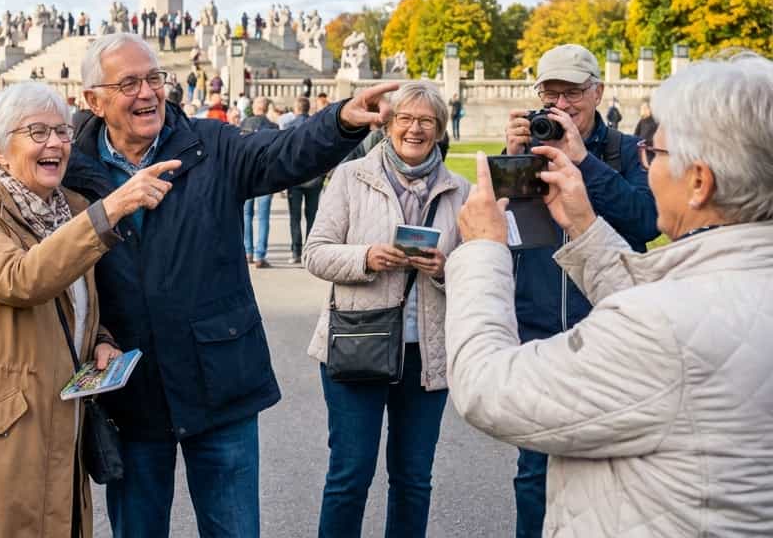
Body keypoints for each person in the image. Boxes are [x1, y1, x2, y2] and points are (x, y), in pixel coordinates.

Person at [61, 32, 396, 538]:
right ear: (94, 99)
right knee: (137, 529)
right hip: (131, 387)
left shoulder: (210, 143)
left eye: (154, 79)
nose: (148, 93)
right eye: (128, 83)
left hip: (219, 377)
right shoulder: (71, 171)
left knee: (233, 529)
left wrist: (340, 121)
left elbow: (284, 154)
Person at [446, 55, 773, 537]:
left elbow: (486, 388)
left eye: (654, 155)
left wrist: (481, 251)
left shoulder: (658, 326)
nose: (648, 165)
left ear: (699, 182)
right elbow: (685, 313)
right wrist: (584, 227)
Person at [0, 83, 178, 536]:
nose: (56, 143)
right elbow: (22, 279)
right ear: (0, 151)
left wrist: (101, 340)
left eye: (62, 131)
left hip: (59, 419)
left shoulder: (69, 209)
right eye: (37, 132)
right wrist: (112, 208)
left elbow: (74, 303)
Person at [501, 44, 658, 537]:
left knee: (610, 472)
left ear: (598, 91)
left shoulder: (628, 151)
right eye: (552, 94)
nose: (562, 105)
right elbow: (497, 228)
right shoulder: (527, 147)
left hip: (610, 329)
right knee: (533, 476)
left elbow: (645, 220)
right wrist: (510, 163)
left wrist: (583, 162)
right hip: (539, 331)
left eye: (572, 93)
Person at [305, 82, 469, 536]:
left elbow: (483, 273)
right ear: (389, 124)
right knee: (350, 476)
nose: (414, 129)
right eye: (405, 119)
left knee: (414, 479)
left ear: (439, 130)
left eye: (426, 121)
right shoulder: (351, 176)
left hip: (427, 355)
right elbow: (315, 253)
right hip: (359, 340)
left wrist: (444, 269)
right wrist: (366, 258)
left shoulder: (462, 191)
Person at [283, 97, 324, 265]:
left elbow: (284, 155)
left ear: (296, 108)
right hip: (314, 177)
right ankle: (310, 251)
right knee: (312, 216)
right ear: (308, 108)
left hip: (294, 177)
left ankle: (295, 251)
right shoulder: (318, 126)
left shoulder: (288, 127)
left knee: (295, 217)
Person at [240, 96, 278, 268]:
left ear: (254, 107)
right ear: (266, 108)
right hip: (265, 176)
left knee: (246, 215)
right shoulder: (273, 126)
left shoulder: (243, 125)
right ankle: (260, 255)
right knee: (263, 217)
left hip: (246, 175)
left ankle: (247, 251)